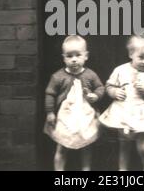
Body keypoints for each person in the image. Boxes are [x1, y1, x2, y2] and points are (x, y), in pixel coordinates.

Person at [44, 35, 104, 171]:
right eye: (69, 56)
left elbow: (100, 87)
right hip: (65, 116)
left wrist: (96, 95)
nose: (74, 59)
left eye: (78, 55)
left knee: (86, 144)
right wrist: (50, 112)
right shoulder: (58, 76)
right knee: (62, 145)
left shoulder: (90, 75)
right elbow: (50, 94)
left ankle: (86, 169)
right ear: (64, 57)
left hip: (85, 115)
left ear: (86, 56)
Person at [99, 35, 144, 171]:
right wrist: (114, 92)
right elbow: (108, 85)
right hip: (123, 111)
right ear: (131, 54)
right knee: (124, 145)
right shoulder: (121, 70)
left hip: (143, 113)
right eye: (141, 57)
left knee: (143, 147)